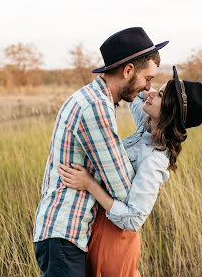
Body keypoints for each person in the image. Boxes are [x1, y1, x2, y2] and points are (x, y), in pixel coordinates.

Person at [32, 27, 169, 277]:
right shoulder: (96, 109)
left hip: (66, 234)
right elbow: (124, 189)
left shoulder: (95, 98)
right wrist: (149, 184)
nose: (148, 88)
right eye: (147, 78)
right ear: (128, 71)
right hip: (65, 234)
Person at [58, 66, 202, 277]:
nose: (151, 92)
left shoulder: (154, 159)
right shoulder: (147, 128)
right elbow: (133, 90)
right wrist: (146, 83)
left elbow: (133, 218)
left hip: (115, 242)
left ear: (169, 111)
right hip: (99, 229)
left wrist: (89, 184)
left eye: (161, 94)